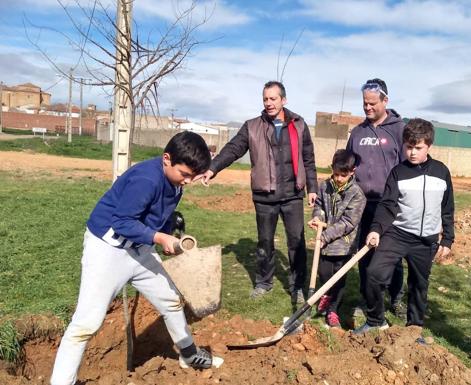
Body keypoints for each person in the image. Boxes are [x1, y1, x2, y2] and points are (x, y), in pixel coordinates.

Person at [50, 132, 217, 385]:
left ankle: (189, 355)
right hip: (108, 249)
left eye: (193, 176)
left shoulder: (176, 182)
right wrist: (160, 239)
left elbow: (159, 213)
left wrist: (170, 232)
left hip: (139, 249)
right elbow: (121, 222)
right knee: (86, 323)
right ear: (166, 159)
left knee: (171, 300)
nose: (189, 181)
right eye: (185, 174)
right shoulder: (146, 179)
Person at [199, 81, 318, 304]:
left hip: (293, 194)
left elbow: (309, 159)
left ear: (284, 100)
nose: (269, 103)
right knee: (265, 242)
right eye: (265, 99)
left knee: (297, 242)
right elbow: (233, 149)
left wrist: (313, 188)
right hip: (265, 196)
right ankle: (264, 282)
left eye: (273, 98)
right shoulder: (252, 126)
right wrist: (213, 168)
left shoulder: (299, 125)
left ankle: (297, 286)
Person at [354, 118, 454, 334]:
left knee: (419, 285)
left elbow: (447, 208)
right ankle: (375, 321)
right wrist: (376, 229)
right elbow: (388, 204)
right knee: (374, 273)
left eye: (418, 148)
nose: (412, 153)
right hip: (397, 234)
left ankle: (414, 329)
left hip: (426, 240)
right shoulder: (398, 172)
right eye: (408, 147)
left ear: (429, 146)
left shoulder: (441, 172)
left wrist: (447, 239)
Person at [346, 78, 406, 319]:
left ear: (385, 100)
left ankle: (396, 297)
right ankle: (367, 297)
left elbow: (407, 166)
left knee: (391, 253)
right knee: (364, 252)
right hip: (361, 204)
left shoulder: (399, 130)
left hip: (389, 204)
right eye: (364, 103)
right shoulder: (358, 132)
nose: (368, 108)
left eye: (372, 103)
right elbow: (348, 165)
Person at [308, 150, 366, 327]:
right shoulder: (325, 186)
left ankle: (333, 310)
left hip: (344, 244)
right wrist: (318, 217)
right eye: (336, 174)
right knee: (324, 273)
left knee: (338, 279)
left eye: (344, 175)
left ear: (352, 172)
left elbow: (348, 222)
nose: (339, 178)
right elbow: (319, 205)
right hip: (325, 243)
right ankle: (325, 294)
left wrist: (325, 235)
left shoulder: (357, 194)